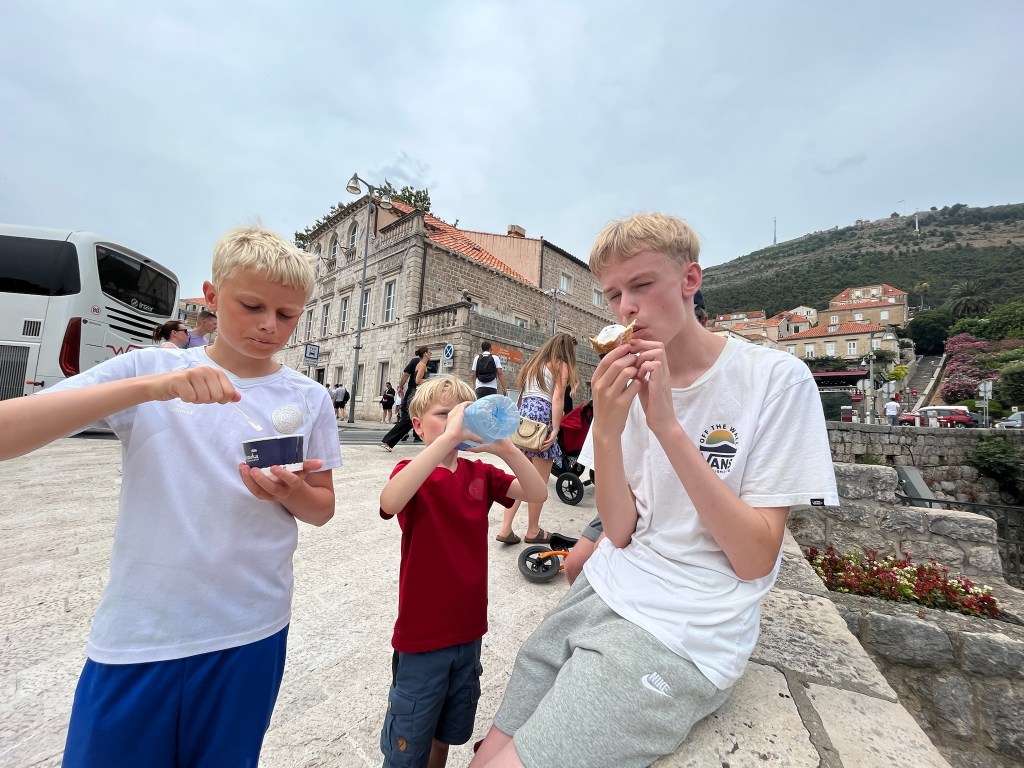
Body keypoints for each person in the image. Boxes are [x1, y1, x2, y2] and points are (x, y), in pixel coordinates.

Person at [470, 213, 838, 768]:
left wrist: (666, 423)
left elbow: (755, 558)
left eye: (641, 285)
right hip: (608, 587)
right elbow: (620, 531)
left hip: (688, 625)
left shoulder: (774, 381)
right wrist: (609, 429)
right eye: (613, 295)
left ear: (690, 280)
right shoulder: (620, 388)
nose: (626, 309)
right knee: (488, 751)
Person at [0, 225, 342, 766]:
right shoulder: (150, 369)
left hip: (252, 628)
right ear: (212, 297)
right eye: (251, 306)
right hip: (142, 633)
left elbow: (321, 508)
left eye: (287, 315)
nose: (268, 326)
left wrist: (292, 491)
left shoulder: (309, 397)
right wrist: (150, 389)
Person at [378, 375, 548, 768]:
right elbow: (390, 501)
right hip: (422, 637)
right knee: (407, 746)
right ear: (418, 425)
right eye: (444, 414)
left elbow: (537, 493)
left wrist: (506, 447)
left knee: (446, 735)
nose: (455, 421)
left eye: (462, 414)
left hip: (469, 632)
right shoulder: (411, 471)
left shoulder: (480, 475)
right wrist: (446, 440)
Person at [494, 333, 579, 546]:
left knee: (521, 478)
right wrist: (556, 428)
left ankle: (505, 528)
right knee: (538, 483)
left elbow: (522, 396)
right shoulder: (560, 365)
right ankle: (533, 530)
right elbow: (557, 397)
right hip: (542, 421)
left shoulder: (533, 364)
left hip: (524, 420)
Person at [381, 346, 431, 451]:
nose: (431, 354)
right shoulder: (422, 365)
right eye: (429, 352)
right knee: (409, 419)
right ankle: (388, 441)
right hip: (414, 393)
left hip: (413, 392)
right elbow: (418, 380)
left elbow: (409, 376)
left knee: (413, 418)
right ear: (425, 354)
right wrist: (431, 381)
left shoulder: (419, 363)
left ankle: (389, 441)